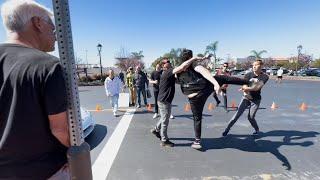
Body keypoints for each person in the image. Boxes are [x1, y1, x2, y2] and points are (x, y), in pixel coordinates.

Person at [0, 1, 70, 179]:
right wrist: (76, 152)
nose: (55, 34)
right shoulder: (47, 65)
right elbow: (60, 130)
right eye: (53, 28)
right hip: (43, 171)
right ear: (37, 23)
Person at [176, 49, 250, 150]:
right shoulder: (194, 65)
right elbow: (204, 71)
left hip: (192, 98)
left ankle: (197, 141)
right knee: (223, 78)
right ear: (190, 57)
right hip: (202, 91)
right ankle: (248, 82)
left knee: (197, 118)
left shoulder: (178, 69)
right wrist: (215, 83)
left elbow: (178, 80)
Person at [150, 57, 206, 147]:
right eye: (166, 62)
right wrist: (194, 58)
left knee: (165, 117)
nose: (168, 62)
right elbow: (182, 67)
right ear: (163, 66)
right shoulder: (167, 72)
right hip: (164, 100)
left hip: (164, 100)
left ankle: (156, 129)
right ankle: (164, 140)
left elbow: (179, 76)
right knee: (165, 120)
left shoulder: (168, 73)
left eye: (169, 61)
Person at [222, 60, 269, 137]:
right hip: (246, 97)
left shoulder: (265, 76)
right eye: (253, 65)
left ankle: (256, 129)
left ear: (261, 66)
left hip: (256, 100)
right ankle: (227, 129)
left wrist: (246, 89)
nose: (254, 66)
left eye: (256, 65)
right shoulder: (248, 75)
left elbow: (258, 87)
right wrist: (245, 90)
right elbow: (243, 85)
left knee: (251, 117)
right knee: (237, 115)